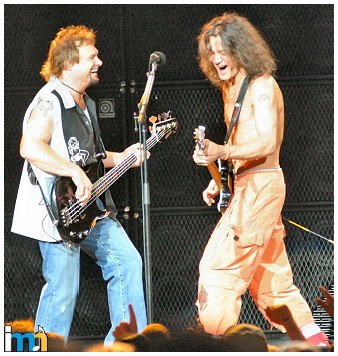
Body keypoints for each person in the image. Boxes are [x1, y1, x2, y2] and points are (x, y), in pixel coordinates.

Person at [192, 12, 329, 347]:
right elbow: (244, 146)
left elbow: (267, 142)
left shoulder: (263, 85)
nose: (216, 58)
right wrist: (222, 177)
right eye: (211, 52)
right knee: (273, 285)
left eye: (222, 50)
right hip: (249, 186)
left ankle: (212, 346)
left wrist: (220, 151)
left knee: (219, 271)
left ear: (240, 48)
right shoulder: (231, 90)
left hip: (261, 187)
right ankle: (317, 346)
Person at [11, 25, 148, 345]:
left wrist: (125, 157)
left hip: (88, 207)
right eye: (92, 57)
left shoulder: (84, 102)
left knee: (127, 262)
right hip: (56, 213)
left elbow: (91, 160)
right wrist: (73, 172)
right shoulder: (49, 101)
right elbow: (30, 147)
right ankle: (40, 351)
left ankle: (126, 346)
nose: (99, 61)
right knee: (62, 290)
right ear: (69, 64)